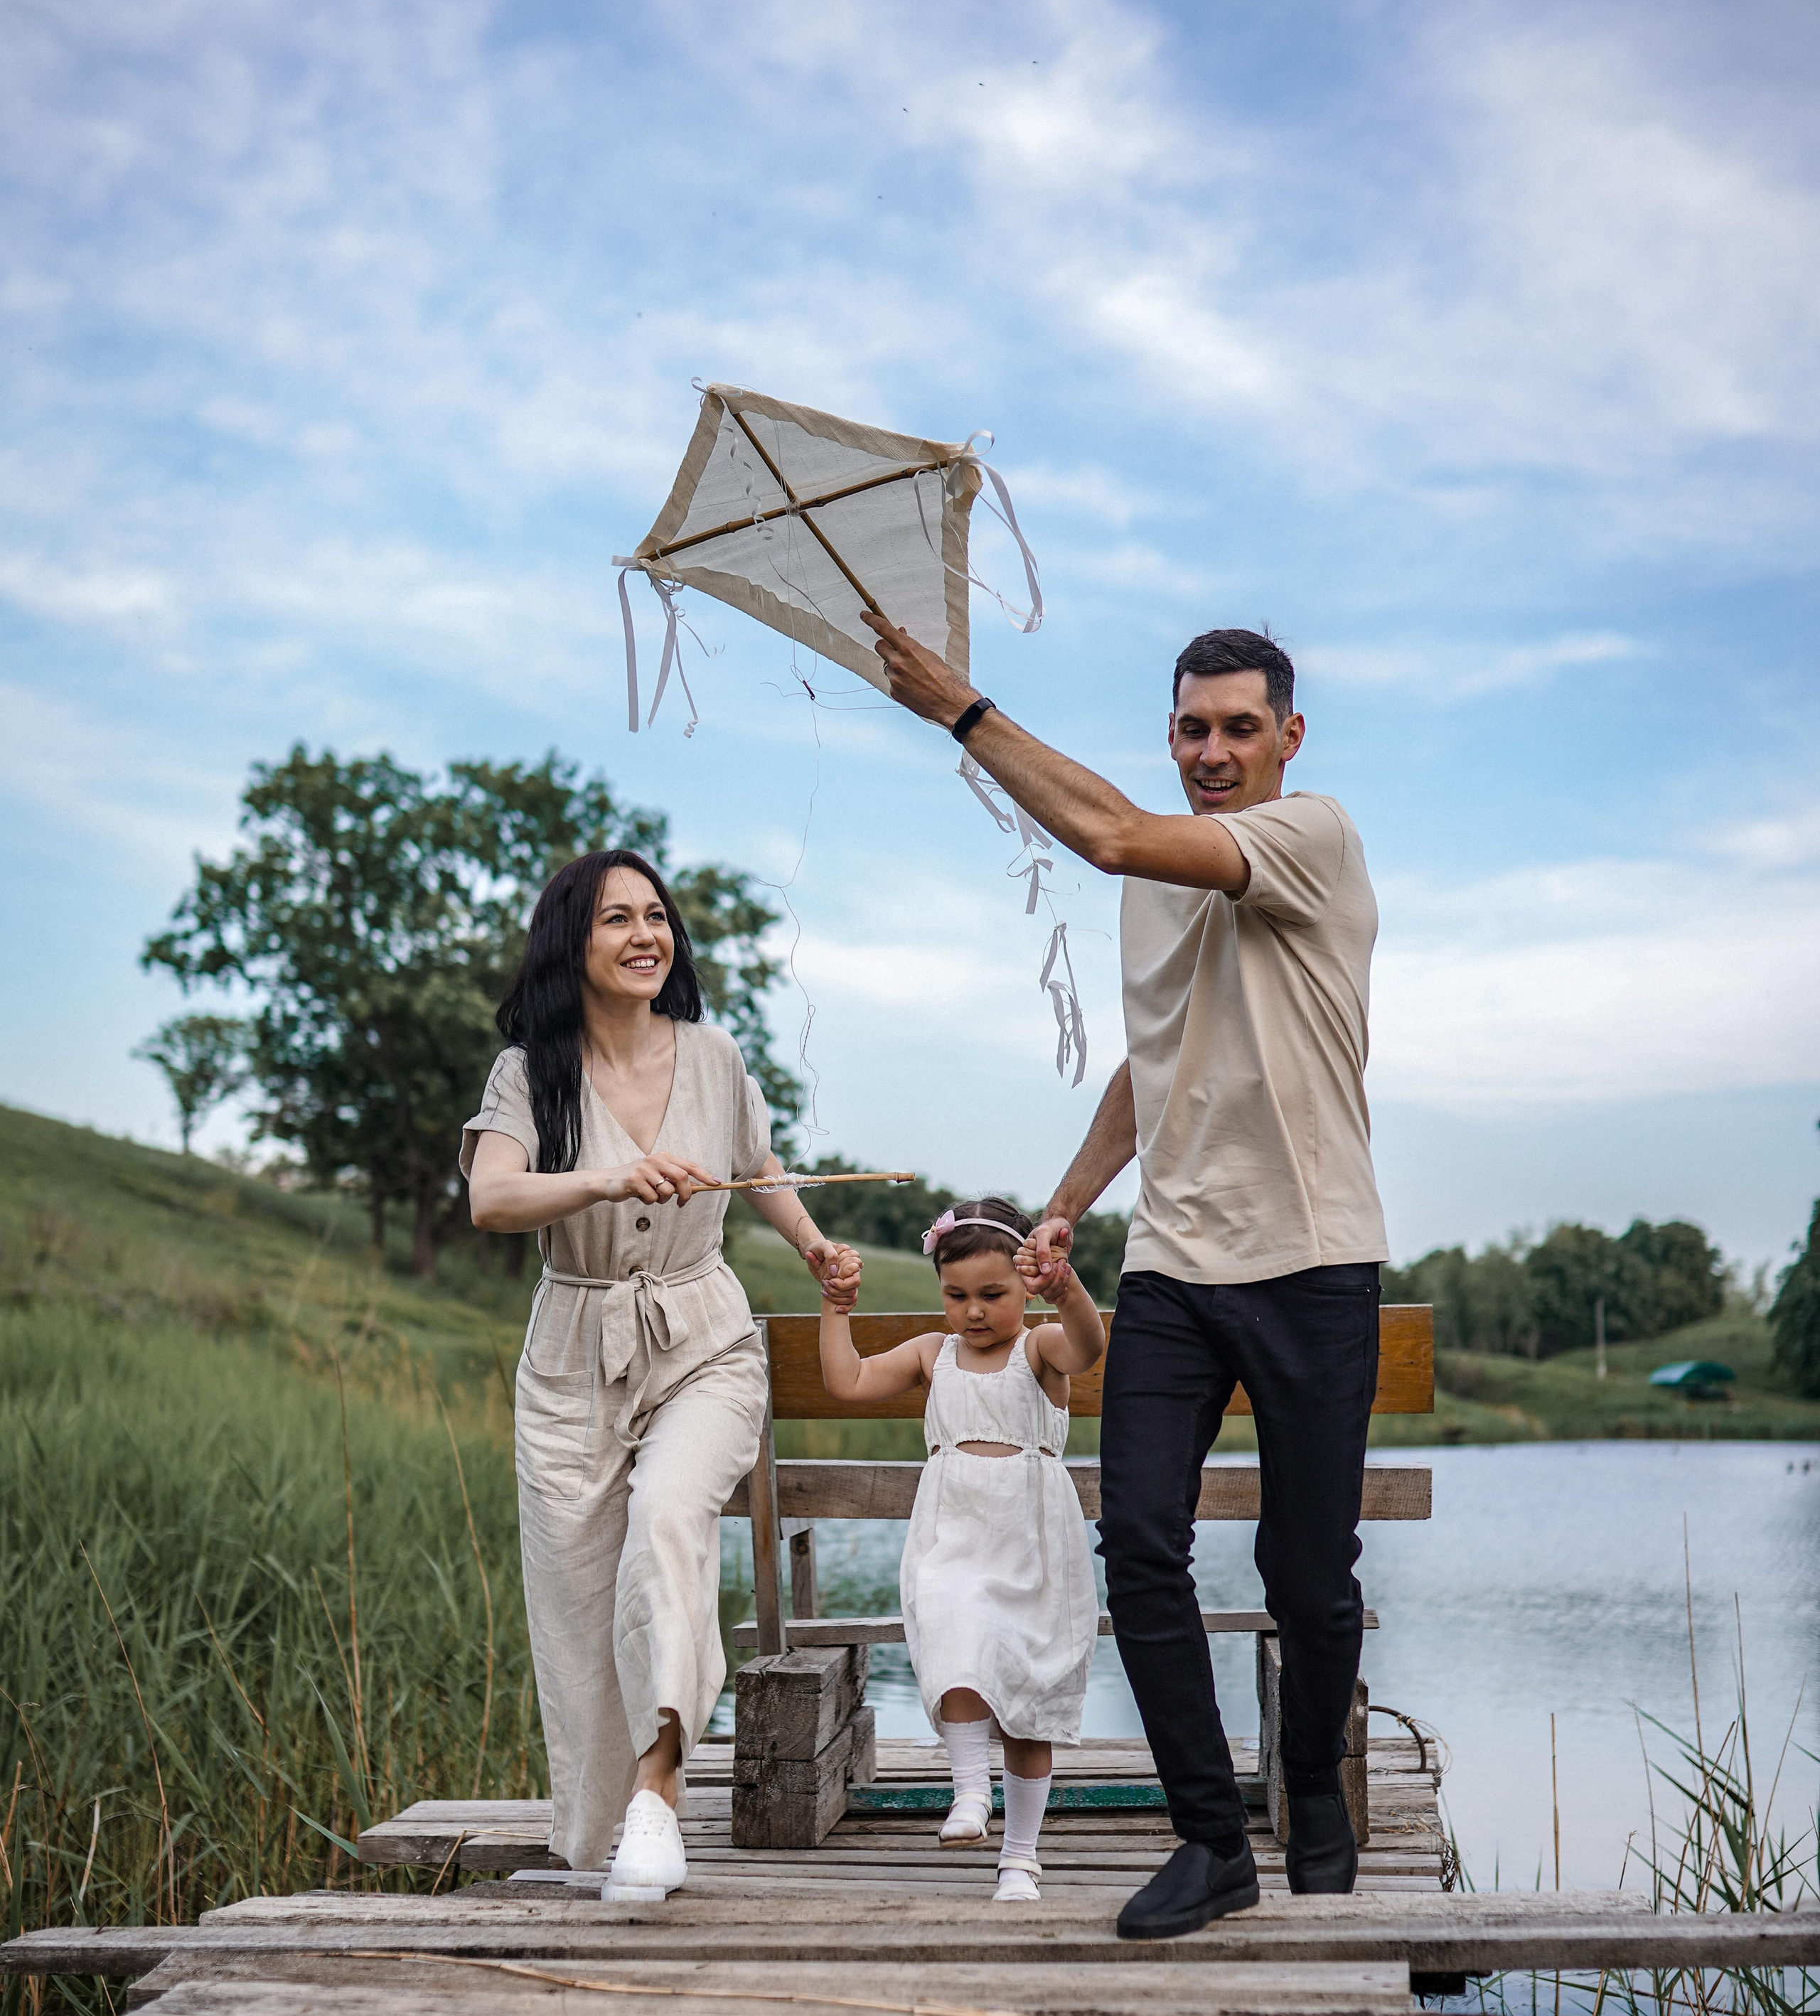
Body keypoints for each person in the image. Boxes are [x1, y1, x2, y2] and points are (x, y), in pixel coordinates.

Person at [862, 613, 1387, 1938]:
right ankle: (1213, 1839)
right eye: (1194, 729)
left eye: (1240, 728)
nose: (1215, 751)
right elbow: (1158, 1061)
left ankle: (1310, 1791)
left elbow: (1102, 831)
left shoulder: (1307, 836)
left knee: (1306, 1573)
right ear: (1171, 733)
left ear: (1289, 738)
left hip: (1315, 1258)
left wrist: (960, 711)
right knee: (1140, 1542)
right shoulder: (1161, 879)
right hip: (1174, 1268)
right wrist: (1066, 1206)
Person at [464, 848, 858, 1892]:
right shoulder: (528, 1073)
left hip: (704, 1346)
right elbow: (492, 1201)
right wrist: (603, 1178)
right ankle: (593, 1844)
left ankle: (659, 1800)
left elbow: (759, 1167)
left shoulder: (715, 1055)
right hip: (571, 1357)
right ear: (571, 943)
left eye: (656, 916)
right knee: (576, 1603)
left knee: (669, 1523)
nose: (646, 935)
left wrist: (812, 1243)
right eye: (615, 920)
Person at [818, 1196, 1105, 1902]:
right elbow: (847, 1380)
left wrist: (1066, 1290)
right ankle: (971, 1794)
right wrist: (835, 1309)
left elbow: (1089, 1348)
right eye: (955, 1296)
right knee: (952, 1633)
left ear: (1025, 1287)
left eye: (992, 1295)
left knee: (1027, 1693)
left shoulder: (1037, 1347)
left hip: (1029, 1535)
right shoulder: (930, 1354)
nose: (973, 1312)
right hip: (953, 1530)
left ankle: (1019, 1859)